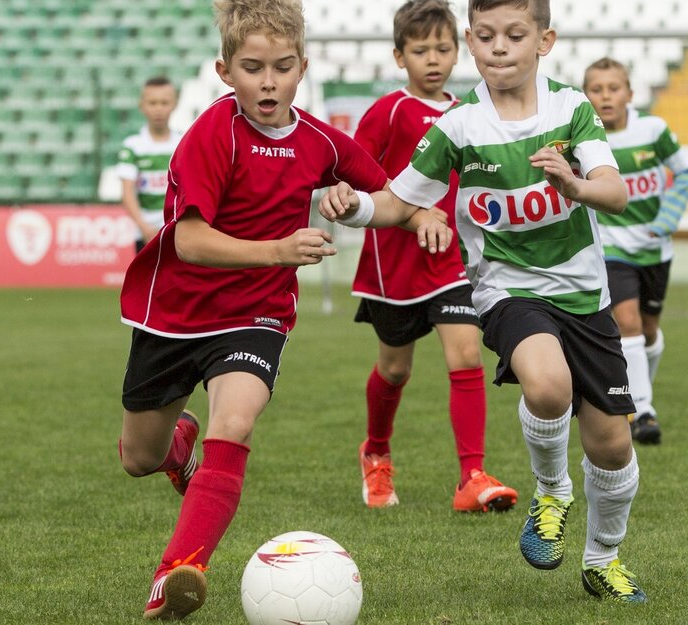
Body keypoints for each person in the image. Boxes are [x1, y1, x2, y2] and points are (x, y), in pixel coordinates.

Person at [116, 0, 450, 619]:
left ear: (303, 68)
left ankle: (178, 571)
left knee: (236, 422)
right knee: (138, 457)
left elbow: (387, 192)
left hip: (257, 312)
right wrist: (277, 249)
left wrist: (414, 211)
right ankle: (179, 443)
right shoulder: (213, 134)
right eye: (252, 68)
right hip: (175, 313)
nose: (267, 82)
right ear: (225, 72)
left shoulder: (320, 140)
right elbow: (188, 241)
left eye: (282, 67)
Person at [321, 0, 647, 604]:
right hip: (507, 290)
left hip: (584, 296)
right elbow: (397, 201)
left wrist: (575, 185)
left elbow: (616, 192)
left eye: (515, 35)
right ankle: (552, 493)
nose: (500, 47)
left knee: (612, 444)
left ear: (544, 41)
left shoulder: (571, 107)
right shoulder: (459, 125)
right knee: (547, 384)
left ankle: (603, 558)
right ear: (471, 41)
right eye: (487, 35)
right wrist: (355, 208)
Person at [349, 0, 518, 513]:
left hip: (452, 261)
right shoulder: (388, 111)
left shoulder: (469, 112)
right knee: (395, 369)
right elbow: (356, 170)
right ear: (400, 57)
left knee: (466, 354)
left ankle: (472, 476)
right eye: (420, 50)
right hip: (392, 267)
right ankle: (376, 453)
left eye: (443, 48)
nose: (433, 59)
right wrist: (408, 213)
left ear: (458, 49)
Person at [583, 57, 688, 445]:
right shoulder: (586, 138)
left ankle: (643, 390)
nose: (605, 96)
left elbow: (686, 172)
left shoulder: (653, 129)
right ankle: (641, 411)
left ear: (630, 94)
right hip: (612, 249)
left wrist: (667, 220)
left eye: (613, 88)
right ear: (586, 96)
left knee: (648, 331)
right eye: (596, 90)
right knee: (627, 322)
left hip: (655, 250)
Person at [116, 76, 182, 252]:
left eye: (164, 102)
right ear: (142, 105)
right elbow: (127, 192)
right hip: (144, 234)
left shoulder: (183, 143)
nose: (158, 109)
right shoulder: (133, 146)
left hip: (177, 232)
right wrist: (144, 227)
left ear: (174, 104)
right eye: (152, 103)